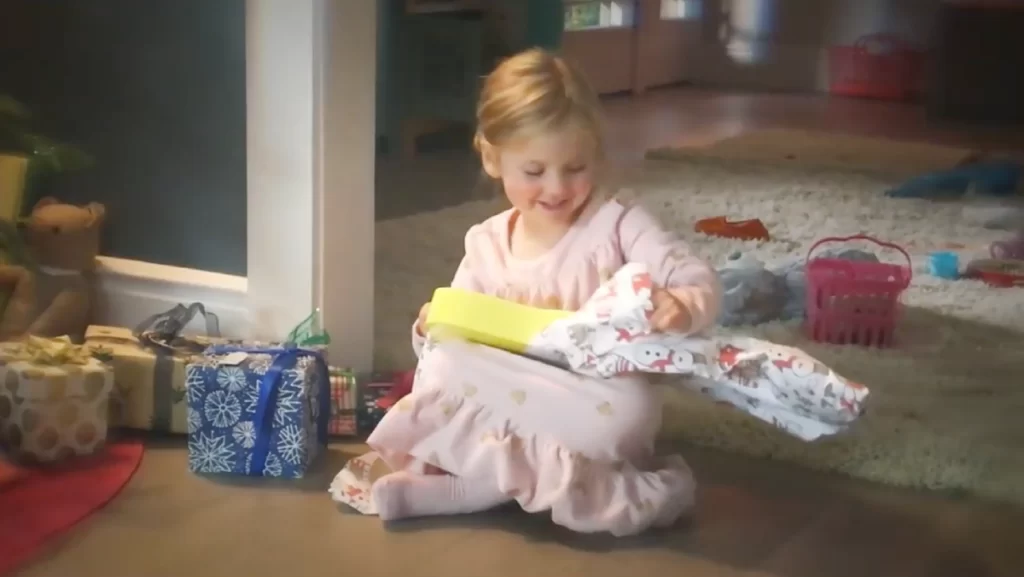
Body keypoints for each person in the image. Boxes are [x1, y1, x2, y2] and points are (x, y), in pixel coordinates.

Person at [366, 48, 722, 536]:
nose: (556, 188)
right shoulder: (487, 242)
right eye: (534, 172)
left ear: (594, 153)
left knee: (629, 411)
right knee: (442, 364)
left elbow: (694, 276)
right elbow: (454, 345)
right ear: (493, 158)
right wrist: (434, 324)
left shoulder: (618, 224)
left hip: (588, 396)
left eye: (575, 167)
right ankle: (491, 487)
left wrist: (681, 304)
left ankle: (473, 489)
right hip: (514, 391)